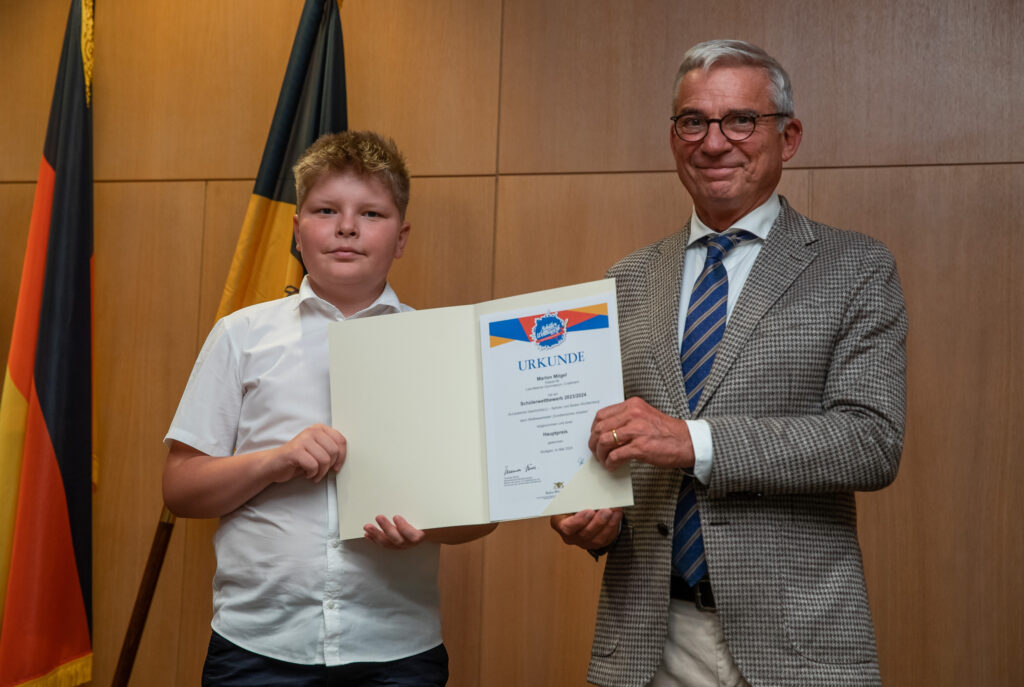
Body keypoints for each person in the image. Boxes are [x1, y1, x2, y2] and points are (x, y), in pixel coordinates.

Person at [551, 40, 907, 687]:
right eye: (694, 121)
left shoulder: (855, 267)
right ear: (673, 136)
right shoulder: (625, 281)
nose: (714, 142)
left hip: (798, 644)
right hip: (646, 644)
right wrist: (593, 517)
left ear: (788, 135)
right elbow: (607, 448)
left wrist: (692, 440)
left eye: (740, 119)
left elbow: (871, 440)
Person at [162, 130, 496, 686]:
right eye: (325, 210)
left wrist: (430, 524)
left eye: (371, 213)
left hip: (396, 650)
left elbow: (482, 515)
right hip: (256, 646)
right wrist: (276, 461)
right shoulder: (241, 336)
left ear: (402, 236)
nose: (346, 227)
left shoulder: (441, 345)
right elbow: (180, 488)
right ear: (297, 231)